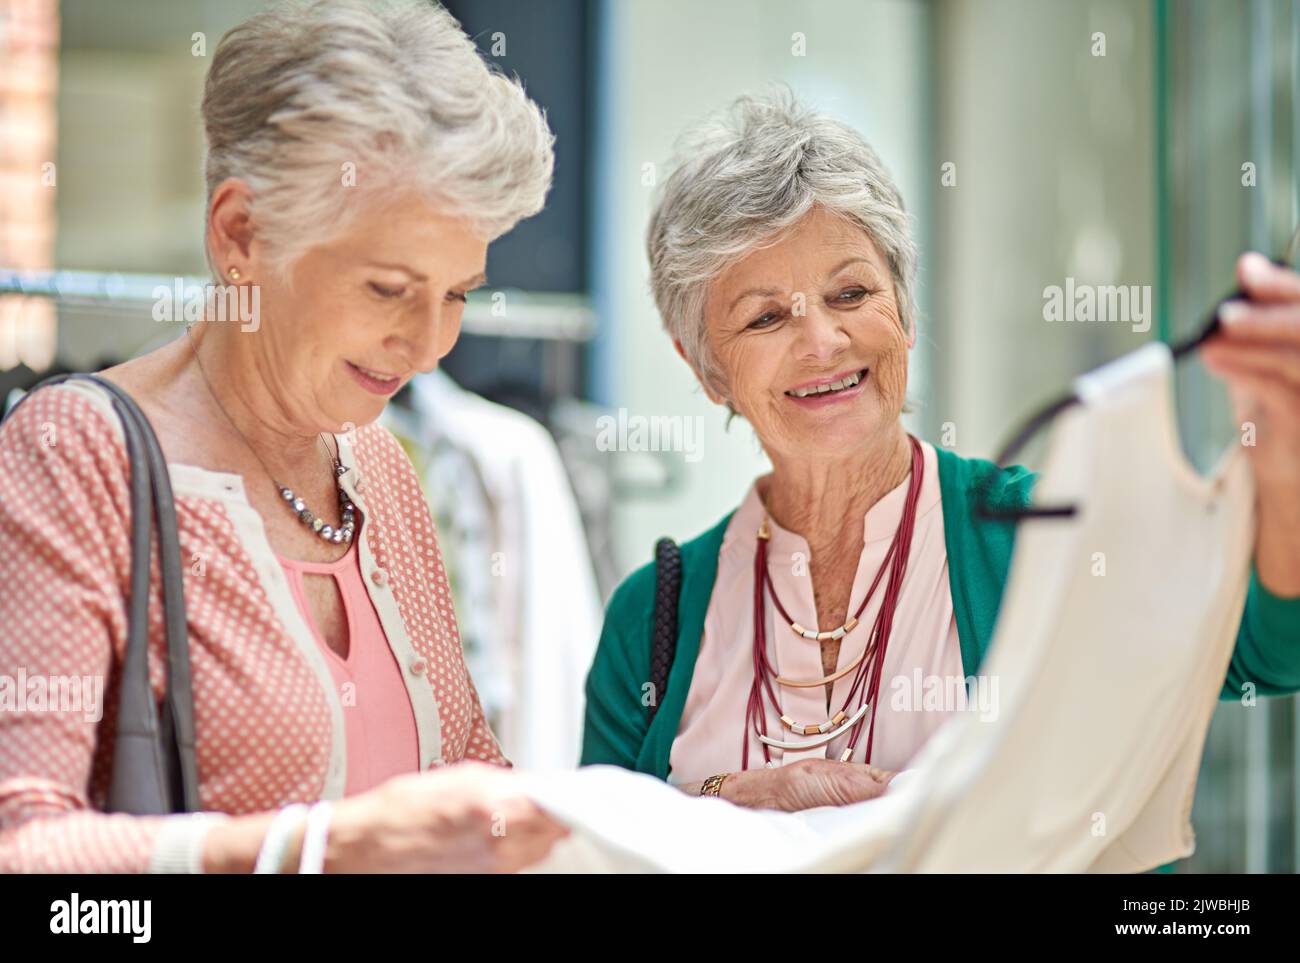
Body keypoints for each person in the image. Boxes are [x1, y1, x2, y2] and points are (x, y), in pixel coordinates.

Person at [582, 89, 1300, 811]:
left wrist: (1286, 461)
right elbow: (593, 845)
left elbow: (1269, 650)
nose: (822, 342)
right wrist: (723, 798)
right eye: (767, 317)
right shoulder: (650, 619)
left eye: (852, 292)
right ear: (707, 368)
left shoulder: (1043, 534)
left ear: (905, 310)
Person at [0, 0, 568, 873]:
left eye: (458, 293)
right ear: (241, 234)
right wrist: (316, 847)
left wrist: (695, 805)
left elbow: (470, 777)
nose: (428, 346)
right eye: (388, 288)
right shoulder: (77, 454)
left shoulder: (378, 464)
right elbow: (23, 845)